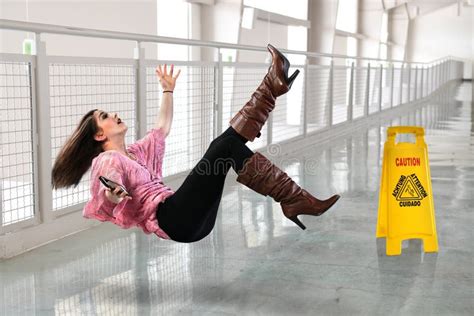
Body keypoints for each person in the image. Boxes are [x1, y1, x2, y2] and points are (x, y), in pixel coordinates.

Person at [51, 44, 340, 243]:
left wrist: (167, 90)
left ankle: (273, 89)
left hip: (188, 222)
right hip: (174, 218)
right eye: (105, 117)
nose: (113, 115)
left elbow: (161, 129)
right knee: (224, 147)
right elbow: (108, 194)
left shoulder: (134, 153)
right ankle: (272, 91)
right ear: (100, 135)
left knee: (226, 146)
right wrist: (114, 195)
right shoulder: (108, 161)